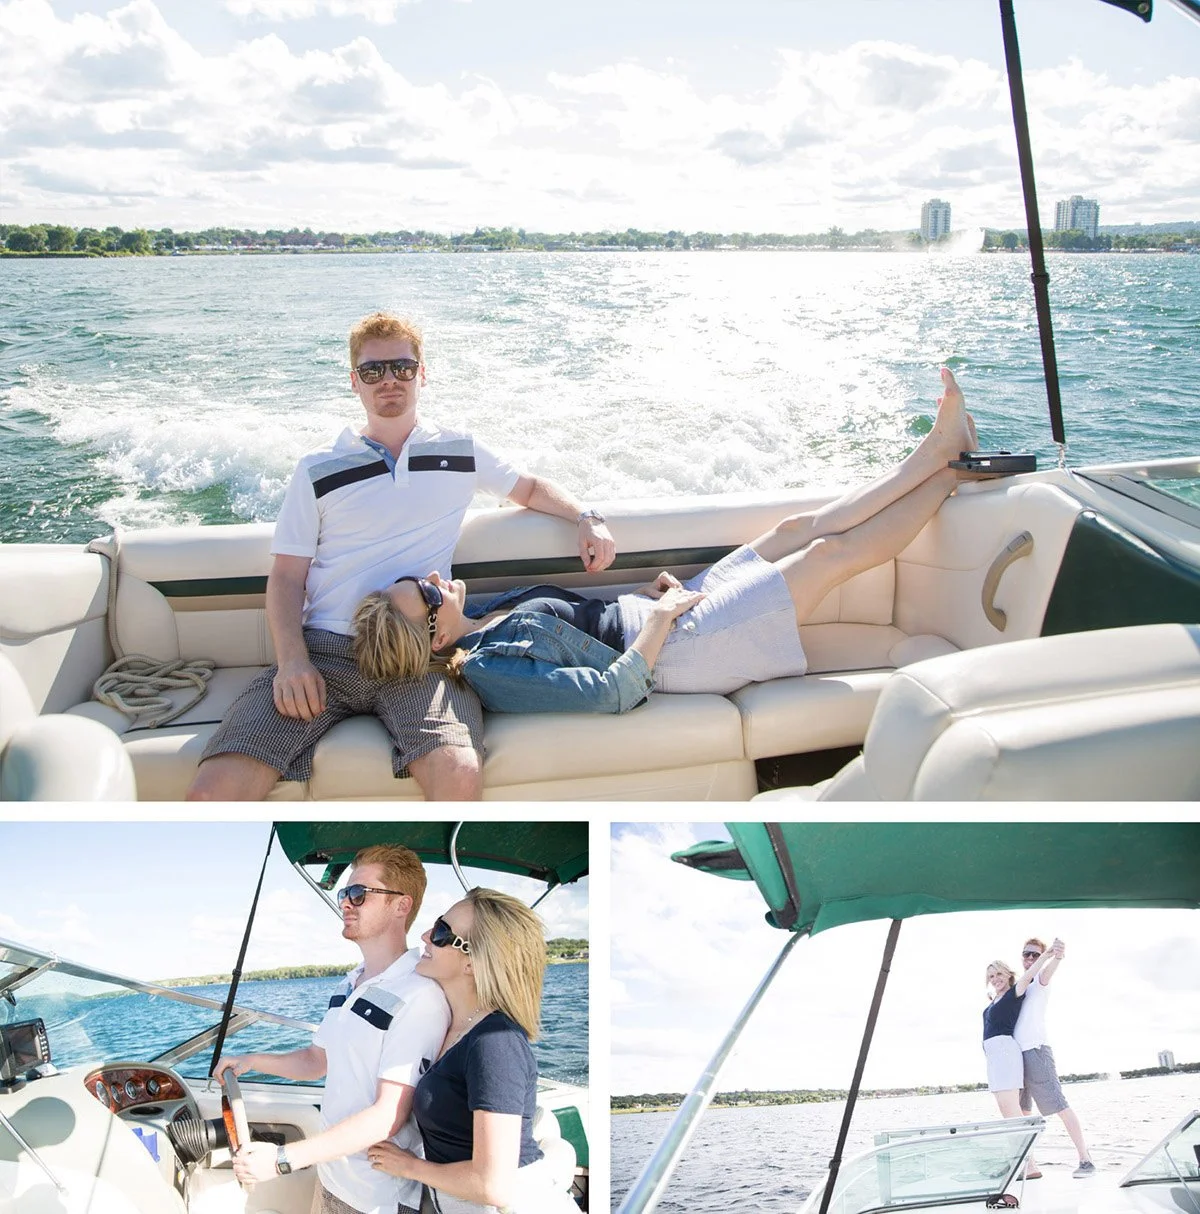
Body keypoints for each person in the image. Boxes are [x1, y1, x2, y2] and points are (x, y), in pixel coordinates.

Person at [351, 368, 982, 708]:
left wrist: (647, 597)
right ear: (434, 633)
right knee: (830, 555)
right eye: (426, 594)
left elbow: (592, 625)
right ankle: (948, 469)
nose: (435, 579)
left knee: (796, 529)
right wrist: (661, 618)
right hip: (683, 653)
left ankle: (932, 453)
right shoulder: (490, 670)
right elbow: (614, 690)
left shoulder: (484, 616)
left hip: (665, 614)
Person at [186, 311, 615, 801]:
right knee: (212, 792)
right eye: (373, 371)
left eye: (402, 367)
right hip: (327, 651)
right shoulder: (317, 469)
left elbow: (530, 488)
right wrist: (291, 662)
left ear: (421, 373)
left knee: (458, 771)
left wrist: (587, 516)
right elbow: (286, 578)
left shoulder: (459, 449)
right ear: (355, 382)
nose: (388, 380)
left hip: (422, 652)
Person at [216, 845, 451, 1214]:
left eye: (359, 894)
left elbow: (388, 1115)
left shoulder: (420, 994)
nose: (346, 903)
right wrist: (249, 1060)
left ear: (401, 906)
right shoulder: (350, 984)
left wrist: (282, 1158)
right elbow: (316, 1060)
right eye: (344, 894)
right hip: (332, 1179)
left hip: (377, 1197)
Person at [364, 888, 577, 1214]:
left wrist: (407, 1166)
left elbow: (493, 1186)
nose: (424, 936)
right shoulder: (456, 1029)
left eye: (440, 932)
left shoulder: (495, 1042)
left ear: (473, 962)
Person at [1016, 937, 1096, 1179]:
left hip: (1036, 1051)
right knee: (1021, 1110)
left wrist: (1056, 957)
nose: (1030, 958)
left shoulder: (1039, 981)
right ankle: (1030, 1165)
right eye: (1026, 954)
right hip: (1015, 1056)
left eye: (1035, 954)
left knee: (1059, 1105)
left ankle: (1085, 1159)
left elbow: (1048, 971)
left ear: (1042, 956)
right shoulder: (1021, 985)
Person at [982, 951, 1054, 1119]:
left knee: (1011, 1111)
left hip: (1005, 1053)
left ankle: (1027, 1141)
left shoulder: (1014, 993)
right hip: (994, 1058)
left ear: (1008, 974)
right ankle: (1022, 1143)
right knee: (1004, 1109)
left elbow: (1029, 975)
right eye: (991, 976)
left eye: (999, 973)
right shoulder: (994, 1000)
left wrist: (1045, 956)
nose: (995, 979)